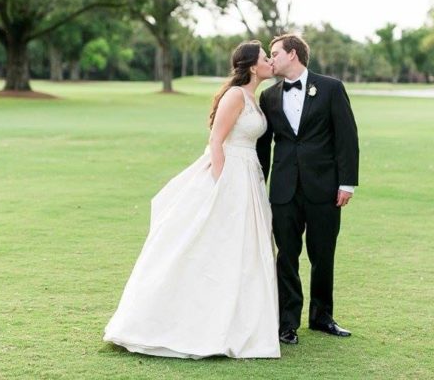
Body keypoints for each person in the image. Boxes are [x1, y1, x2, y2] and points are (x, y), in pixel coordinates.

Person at [104, 41, 280, 359]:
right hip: (229, 173)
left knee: (241, 250)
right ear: (253, 66)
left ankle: (237, 321)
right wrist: (221, 183)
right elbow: (216, 140)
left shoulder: (254, 98)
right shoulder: (235, 96)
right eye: (266, 58)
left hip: (248, 175)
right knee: (208, 244)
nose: (270, 62)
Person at [256, 33, 359, 345]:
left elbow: (346, 138)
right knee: (287, 256)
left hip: (324, 188)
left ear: (293, 54)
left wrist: (346, 183)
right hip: (284, 190)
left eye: (274, 53)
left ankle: (322, 316)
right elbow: (264, 148)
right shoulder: (269, 96)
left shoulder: (331, 88)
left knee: (322, 254)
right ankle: (287, 323)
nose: (271, 59)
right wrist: (256, 183)